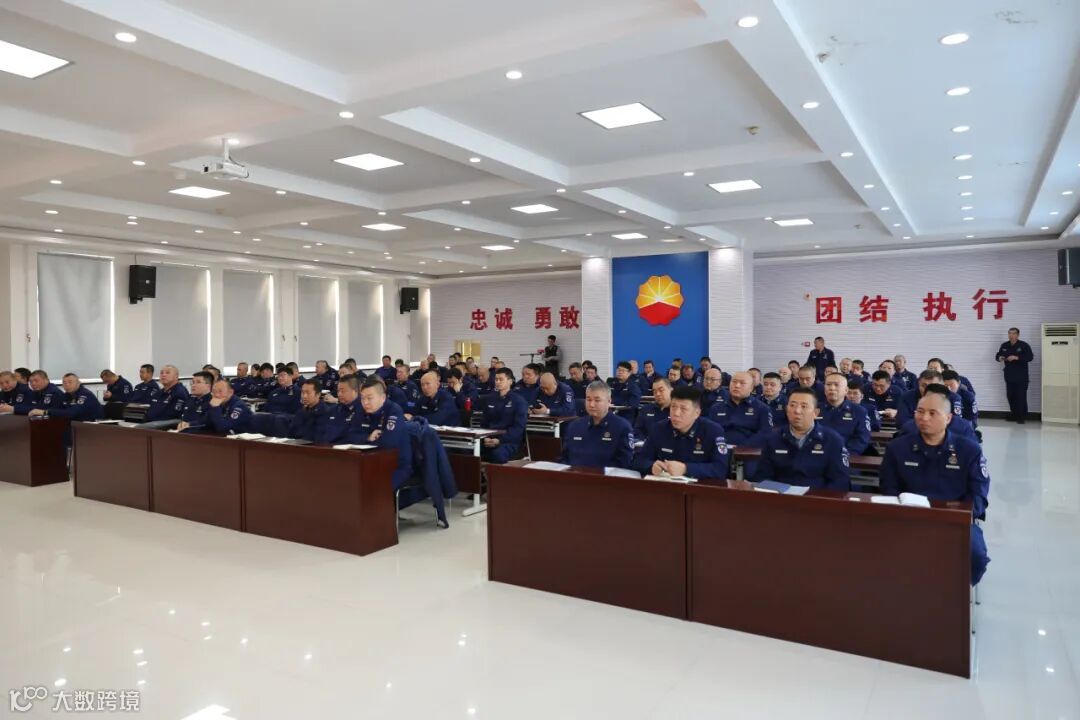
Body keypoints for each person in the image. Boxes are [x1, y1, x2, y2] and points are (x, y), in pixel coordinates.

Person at [880, 390, 990, 584]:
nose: (924, 418)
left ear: (948, 418)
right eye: (920, 411)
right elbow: (889, 488)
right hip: (908, 517)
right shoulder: (897, 447)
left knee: (976, 556)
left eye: (932, 413)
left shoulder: (968, 450)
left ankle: (958, 592)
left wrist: (960, 515)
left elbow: (978, 494)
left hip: (954, 520)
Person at [752, 388, 850, 491]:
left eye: (804, 406)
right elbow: (762, 476)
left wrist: (817, 498)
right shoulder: (773, 438)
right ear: (786, 410)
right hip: (780, 495)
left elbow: (840, 480)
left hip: (817, 497)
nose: (797, 411)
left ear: (816, 413)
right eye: (792, 405)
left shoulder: (832, 440)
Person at [631, 385, 730, 480]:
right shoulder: (659, 429)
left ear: (697, 413)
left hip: (700, 487)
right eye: (673, 407)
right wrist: (651, 466)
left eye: (683, 409)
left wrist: (686, 469)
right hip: (665, 486)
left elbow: (720, 469)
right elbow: (638, 460)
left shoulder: (713, 431)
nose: (676, 413)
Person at [354, 377, 415, 489]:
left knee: (374, 489)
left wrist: (365, 441)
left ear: (382, 398)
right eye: (362, 398)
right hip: (368, 461)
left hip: (395, 464)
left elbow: (389, 443)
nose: (365, 402)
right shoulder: (361, 410)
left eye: (369, 398)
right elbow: (350, 435)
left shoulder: (394, 410)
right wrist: (368, 437)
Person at [559, 381, 635, 468]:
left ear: (609, 401)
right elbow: (565, 458)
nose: (591, 405)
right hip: (574, 474)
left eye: (597, 400)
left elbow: (624, 463)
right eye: (588, 399)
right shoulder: (575, 426)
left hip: (606, 476)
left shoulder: (622, 427)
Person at [706, 371, 773, 447]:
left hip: (749, 450)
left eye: (742, 383)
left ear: (751, 388)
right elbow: (709, 431)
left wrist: (743, 447)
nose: (737, 385)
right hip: (720, 449)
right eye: (734, 382)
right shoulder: (716, 408)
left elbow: (765, 433)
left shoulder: (762, 408)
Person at [480, 368, 529, 463]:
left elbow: (518, 428)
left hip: (509, 442)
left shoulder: (519, 401)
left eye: (501, 379)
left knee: (497, 454)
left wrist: (499, 440)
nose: (498, 382)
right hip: (489, 439)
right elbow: (484, 423)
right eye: (496, 379)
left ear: (510, 381)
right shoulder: (490, 399)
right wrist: (485, 437)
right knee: (468, 451)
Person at [818, 372, 872, 455]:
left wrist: (844, 454)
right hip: (816, 454)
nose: (832, 388)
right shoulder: (813, 409)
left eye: (836, 385)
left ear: (846, 390)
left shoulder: (859, 411)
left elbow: (861, 439)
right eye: (828, 384)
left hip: (846, 456)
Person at [896, 370, 962, 427]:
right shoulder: (907, 396)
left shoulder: (953, 398)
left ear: (941, 385)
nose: (927, 390)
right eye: (923, 385)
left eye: (932, 386)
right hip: (914, 434)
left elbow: (956, 423)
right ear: (918, 384)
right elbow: (902, 422)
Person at [995, 327, 1034, 423]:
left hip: (1021, 376)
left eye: (1014, 333)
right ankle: (1014, 415)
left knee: (1021, 396)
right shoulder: (1004, 345)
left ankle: (1021, 417)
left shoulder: (1024, 345)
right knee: (1010, 396)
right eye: (1009, 333)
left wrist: (1016, 357)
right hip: (1009, 375)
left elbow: (1030, 357)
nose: (1011, 335)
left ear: (1018, 335)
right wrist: (1000, 358)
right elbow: (997, 356)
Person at [29, 373, 103, 422]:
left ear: (78, 383)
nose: (67, 385)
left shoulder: (85, 395)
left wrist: (45, 412)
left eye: (70, 382)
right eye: (64, 383)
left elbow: (71, 413)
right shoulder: (67, 395)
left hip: (93, 426)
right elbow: (58, 409)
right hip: (77, 425)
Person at [321, 375, 366, 444]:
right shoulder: (333, 410)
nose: (339, 394)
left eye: (343, 391)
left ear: (355, 391)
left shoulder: (364, 410)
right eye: (338, 391)